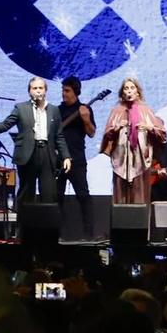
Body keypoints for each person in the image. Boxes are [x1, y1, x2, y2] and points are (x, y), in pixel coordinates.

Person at [0, 76, 62, 206]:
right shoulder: (21, 108)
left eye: (41, 88)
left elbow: (59, 135)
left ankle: (47, 225)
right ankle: (23, 225)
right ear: (29, 91)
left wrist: (66, 156)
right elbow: (6, 124)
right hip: (28, 153)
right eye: (34, 88)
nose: (38, 91)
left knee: (48, 193)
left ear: (46, 90)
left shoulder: (54, 110)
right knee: (26, 193)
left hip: (47, 153)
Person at [100, 77, 164, 204]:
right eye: (126, 88)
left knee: (139, 196)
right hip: (121, 159)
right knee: (121, 197)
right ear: (122, 93)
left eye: (132, 88)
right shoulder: (117, 111)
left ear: (137, 92)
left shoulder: (145, 111)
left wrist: (148, 127)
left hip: (140, 160)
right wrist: (116, 128)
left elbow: (161, 133)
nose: (129, 91)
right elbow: (107, 134)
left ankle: (139, 222)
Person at [55, 76, 97, 239]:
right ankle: (56, 234)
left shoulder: (85, 109)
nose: (64, 94)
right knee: (57, 197)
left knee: (83, 195)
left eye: (67, 91)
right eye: (63, 90)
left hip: (77, 159)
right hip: (58, 160)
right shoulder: (57, 110)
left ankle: (88, 234)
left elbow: (91, 133)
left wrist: (85, 119)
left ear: (76, 92)